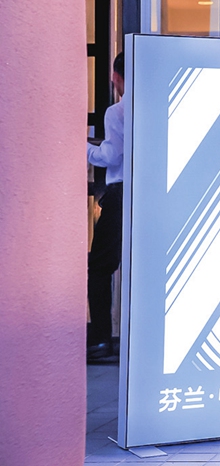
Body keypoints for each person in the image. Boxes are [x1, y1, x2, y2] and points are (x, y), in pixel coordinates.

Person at [86, 52, 125, 362]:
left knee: (100, 267)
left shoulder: (118, 111)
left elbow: (111, 157)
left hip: (120, 192)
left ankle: (100, 339)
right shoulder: (159, 105)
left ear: (117, 77)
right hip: (148, 193)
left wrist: (83, 147)